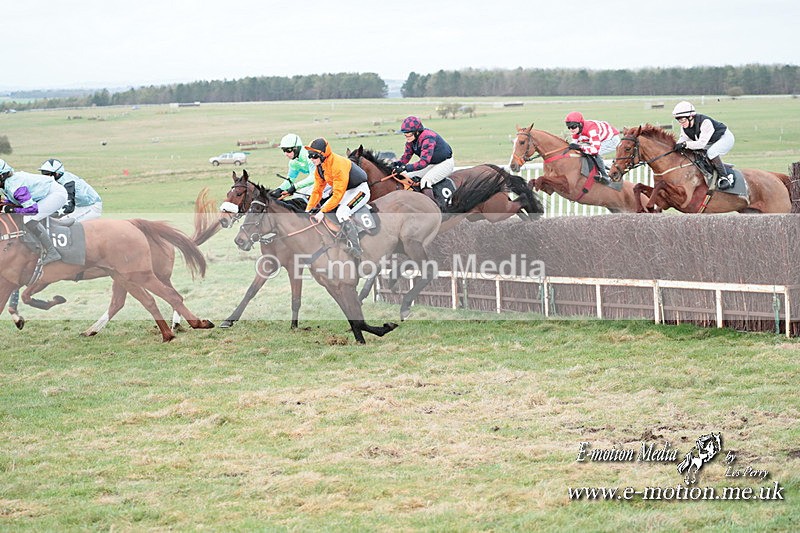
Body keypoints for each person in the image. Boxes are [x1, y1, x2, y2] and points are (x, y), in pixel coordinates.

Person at [304, 138, 370, 258]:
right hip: (346, 191)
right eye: (309, 155)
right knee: (323, 208)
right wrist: (308, 209)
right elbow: (317, 191)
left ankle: (357, 248)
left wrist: (322, 211)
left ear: (322, 155)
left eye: (313, 156)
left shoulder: (337, 165)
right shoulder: (320, 168)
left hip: (359, 190)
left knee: (341, 212)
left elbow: (338, 194)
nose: (311, 159)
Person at [0, 159, 68, 265]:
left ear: (2, 176)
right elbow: (15, 201)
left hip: (56, 194)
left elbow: (31, 210)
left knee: (29, 219)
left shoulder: (16, 188)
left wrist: (10, 209)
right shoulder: (7, 183)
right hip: (45, 193)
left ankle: (52, 252)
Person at [672, 101, 736, 189]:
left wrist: (685, 144)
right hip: (710, 141)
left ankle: (724, 177)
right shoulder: (685, 126)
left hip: (725, 138)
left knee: (711, 152)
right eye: (678, 120)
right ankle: (718, 169)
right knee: (698, 153)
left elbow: (701, 144)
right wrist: (676, 146)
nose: (681, 123)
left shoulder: (705, 122)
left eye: (682, 119)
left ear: (691, 117)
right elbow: (683, 139)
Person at [392, 116, 454, 194]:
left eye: (409, 133)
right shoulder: (411, 141)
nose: (406, 136)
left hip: (445, 163)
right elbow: (406, 157)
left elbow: (423, 162)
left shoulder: (428, 138)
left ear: (417, 132)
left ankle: (433, 205)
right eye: (405, 133)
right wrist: (395, 164)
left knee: (425, 181)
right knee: (407, 177)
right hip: (431, 164)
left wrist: (405, 167)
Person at [564, 111, 620, 185]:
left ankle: (605, 176)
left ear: (580, 124)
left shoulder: (591, 130)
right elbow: (573, 145)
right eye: (569, 127)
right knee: (584, 150)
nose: (571, 129)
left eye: (573, 126)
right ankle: (602, 168)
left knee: (592, 153)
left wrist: (580, 147)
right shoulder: (577, 131)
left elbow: (594, 150)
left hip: (611, 139)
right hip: (600, 138)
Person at [270, 133, 317, 200]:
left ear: (296, 148)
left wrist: (295, 186)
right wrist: (279, 189)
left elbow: (314, 177)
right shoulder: (293, 162)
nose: (286, 154)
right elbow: (290, 179)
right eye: (284, 150)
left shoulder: (309, 155)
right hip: (319, 182)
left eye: (288, 150)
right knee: (297, 197)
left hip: (331, 179)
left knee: (308, 196)